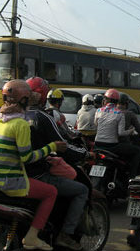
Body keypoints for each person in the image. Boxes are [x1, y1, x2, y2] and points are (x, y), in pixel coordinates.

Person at [0, 79, 65, 251]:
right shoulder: (20, 124)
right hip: (8, 182)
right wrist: (52, 147)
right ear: (24, 100)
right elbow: (26, 157)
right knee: (51, 192)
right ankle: (32, 237)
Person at [25, 77, 88, 250]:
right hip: (35, 173)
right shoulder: (42, 117)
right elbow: (62, 144)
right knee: (81, 190)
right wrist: (85, 153)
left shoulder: (7, 115)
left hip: (11, 171)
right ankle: (65, 234)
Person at [94, 89, 140, 178]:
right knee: (137, 151)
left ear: (106, 100)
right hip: (112, 147)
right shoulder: (119, 113)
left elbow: (96, 124)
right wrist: (131, 130)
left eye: (104, 99)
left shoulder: (98, 111)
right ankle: (131, 178)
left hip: (97, 146)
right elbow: (121, 133)